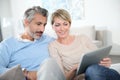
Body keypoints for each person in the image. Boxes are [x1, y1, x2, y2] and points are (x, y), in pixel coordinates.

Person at [48, 9, 120, 80]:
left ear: (69, 25)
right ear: (53, 26)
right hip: (88, 76)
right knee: (91, 71)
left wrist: (106, 62)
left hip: (101, 71)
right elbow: (63, 78)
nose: (62, 28)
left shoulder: (83, 38)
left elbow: (98, 57)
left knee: (93, 70)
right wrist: (74, 69)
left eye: (65, 24)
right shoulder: (53, 46)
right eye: (57, 25)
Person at [0, 6, 54, 80]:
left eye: (44, 25)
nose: (42, 29)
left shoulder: (48, 39)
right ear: (26, 22)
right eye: (38, 24)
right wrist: (26, 74)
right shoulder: (8, 44)